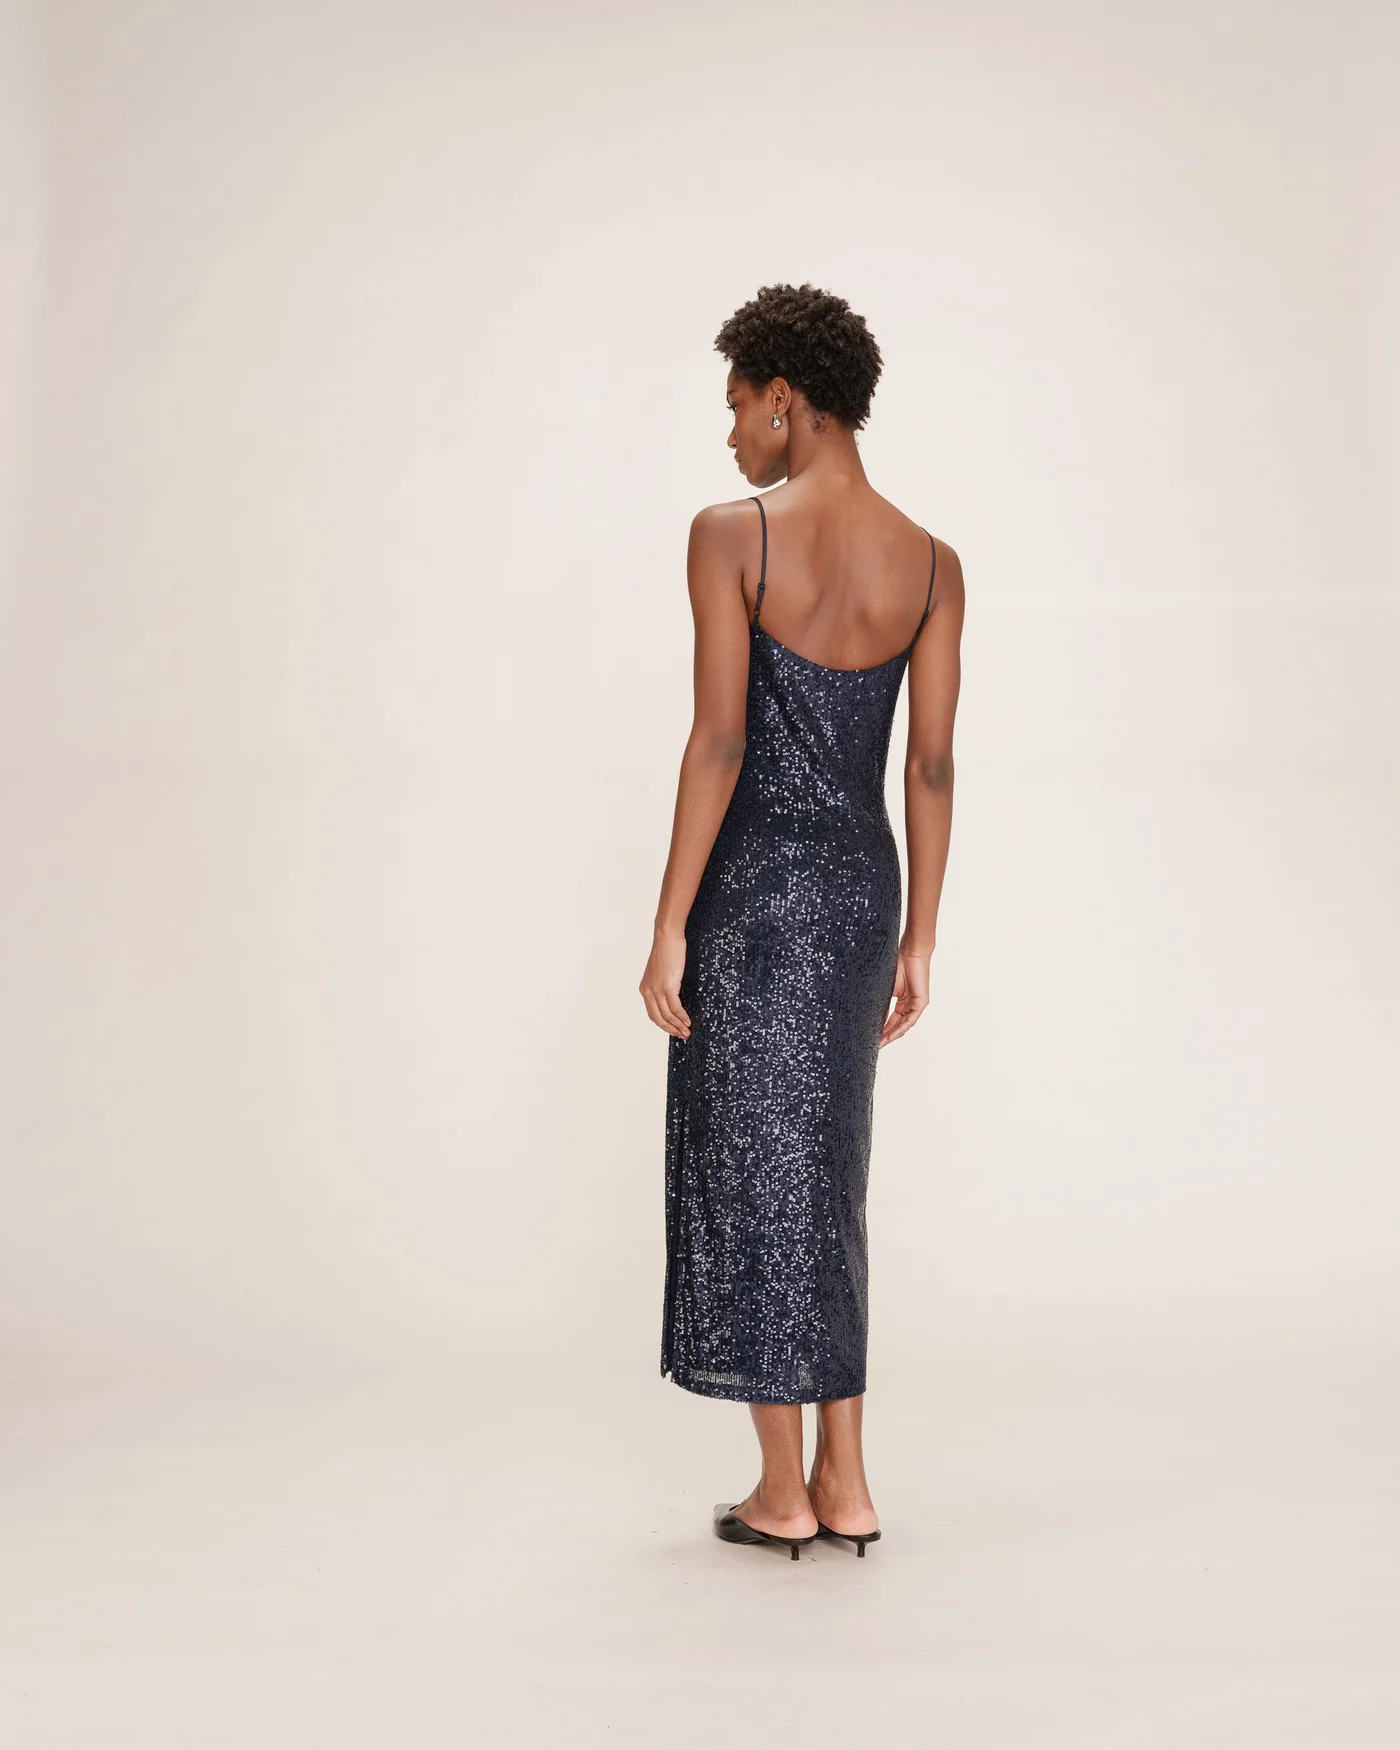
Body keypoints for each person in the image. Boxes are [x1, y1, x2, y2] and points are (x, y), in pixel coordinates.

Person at [639, 283, 964, 1559]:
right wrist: (919, 936)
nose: (728, 435)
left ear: (785, 398)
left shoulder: (731, 537)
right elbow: (927, 766)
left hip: (754, 894)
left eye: (735, 406)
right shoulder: (930, 563)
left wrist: (669, 923)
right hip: (860, 896)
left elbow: (720, 742)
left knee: (749, 1168)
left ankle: (782, 1492)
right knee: (826, 1169)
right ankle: (850, 1480)